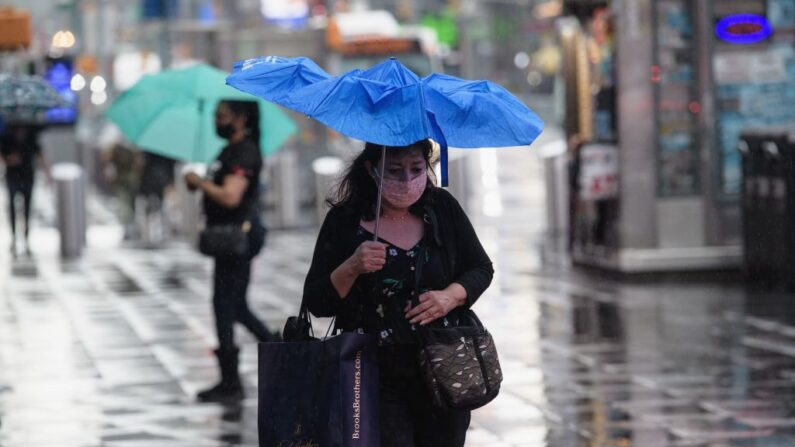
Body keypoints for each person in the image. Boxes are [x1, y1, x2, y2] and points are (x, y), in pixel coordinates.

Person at [303, 140, 494, 447]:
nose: (407, 180)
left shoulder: (441, 208)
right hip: (370, 374)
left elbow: (480, 268)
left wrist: (450, 296)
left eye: (416, 169)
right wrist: (352, 266)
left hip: (442, 366)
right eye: (394, 170)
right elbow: (317, 302)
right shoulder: (345, 221)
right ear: (372, 169)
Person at [184, 100, 276, 402]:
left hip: (237, 240)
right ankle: (273, 353)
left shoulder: (244, 151)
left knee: (229, 306)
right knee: (231, 306)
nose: (216, 121)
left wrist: (201, 182)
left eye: (221, 116)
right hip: (228, 241)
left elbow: (231, 196)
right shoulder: (230, 150)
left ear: (239, 119)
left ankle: (237, 377)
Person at [0, 124, 49, 257]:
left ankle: (26, 240)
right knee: (12, 209)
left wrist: (47, 174)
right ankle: (14, 239)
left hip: (27, 177)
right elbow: (2, 156)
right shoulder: (6, 135)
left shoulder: (31, 134)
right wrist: (10, 160)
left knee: (27, 209)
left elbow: (39, 154)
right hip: (12, 177)